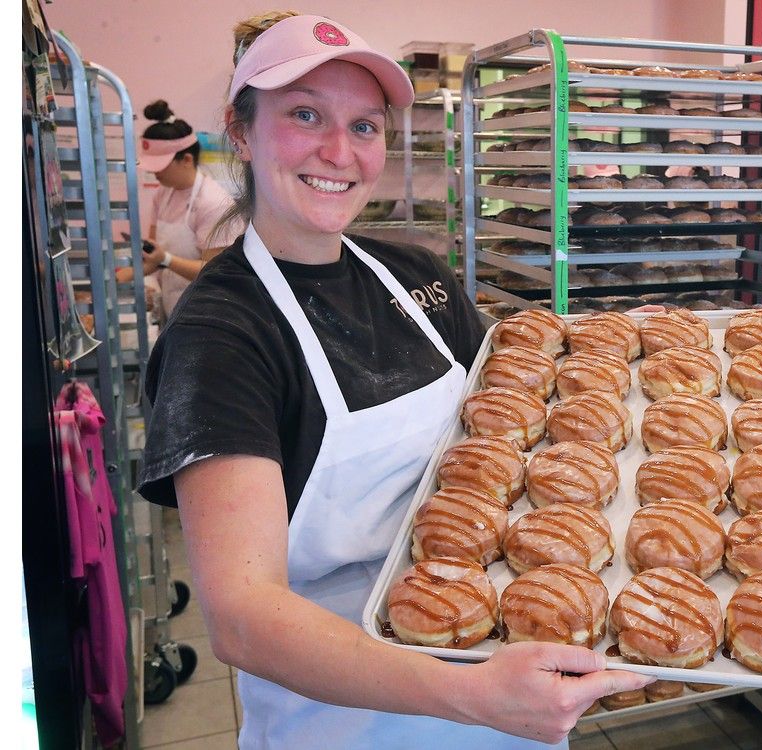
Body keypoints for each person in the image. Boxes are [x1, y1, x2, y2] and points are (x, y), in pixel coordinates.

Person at [138, 11, 654, 750]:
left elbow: (510, 431)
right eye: (305, 116)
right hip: (349, 721)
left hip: (513, 694)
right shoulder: (221, 335)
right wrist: (467, 694)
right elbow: (243, 618)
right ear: (241, 132)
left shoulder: (417, 274)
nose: (337, 151)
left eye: (365, 126)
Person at [118, 100, 244, 319]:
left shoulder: (213, 202)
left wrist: (166, 259)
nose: (155, 174)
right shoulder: (164, 193)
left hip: (209, 311)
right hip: (174, 304)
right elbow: (153, 256)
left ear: (186, 159)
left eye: (161, 166)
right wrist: (121, 278)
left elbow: (215, 269)